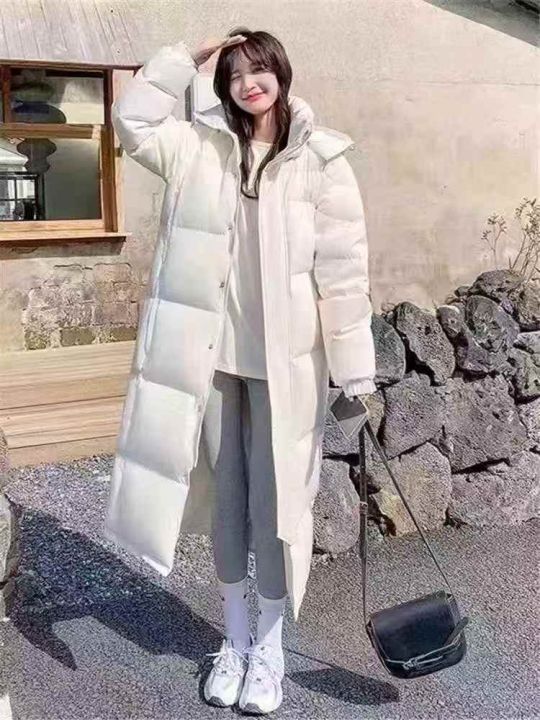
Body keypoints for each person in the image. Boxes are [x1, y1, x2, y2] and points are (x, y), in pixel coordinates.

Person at [105, 26, 377, 716]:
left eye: (259, 70)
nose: (248, 84)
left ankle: (271, 653)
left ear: (281, 73)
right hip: (214, 364)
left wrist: (356, 370)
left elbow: (344, 273)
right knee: (228, 508)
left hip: (287, 371)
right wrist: (187, 57)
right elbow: (132, 121)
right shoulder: (197, 146)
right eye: (233, 75)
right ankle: (233, 641)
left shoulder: (321, 159)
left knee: (277, 514)